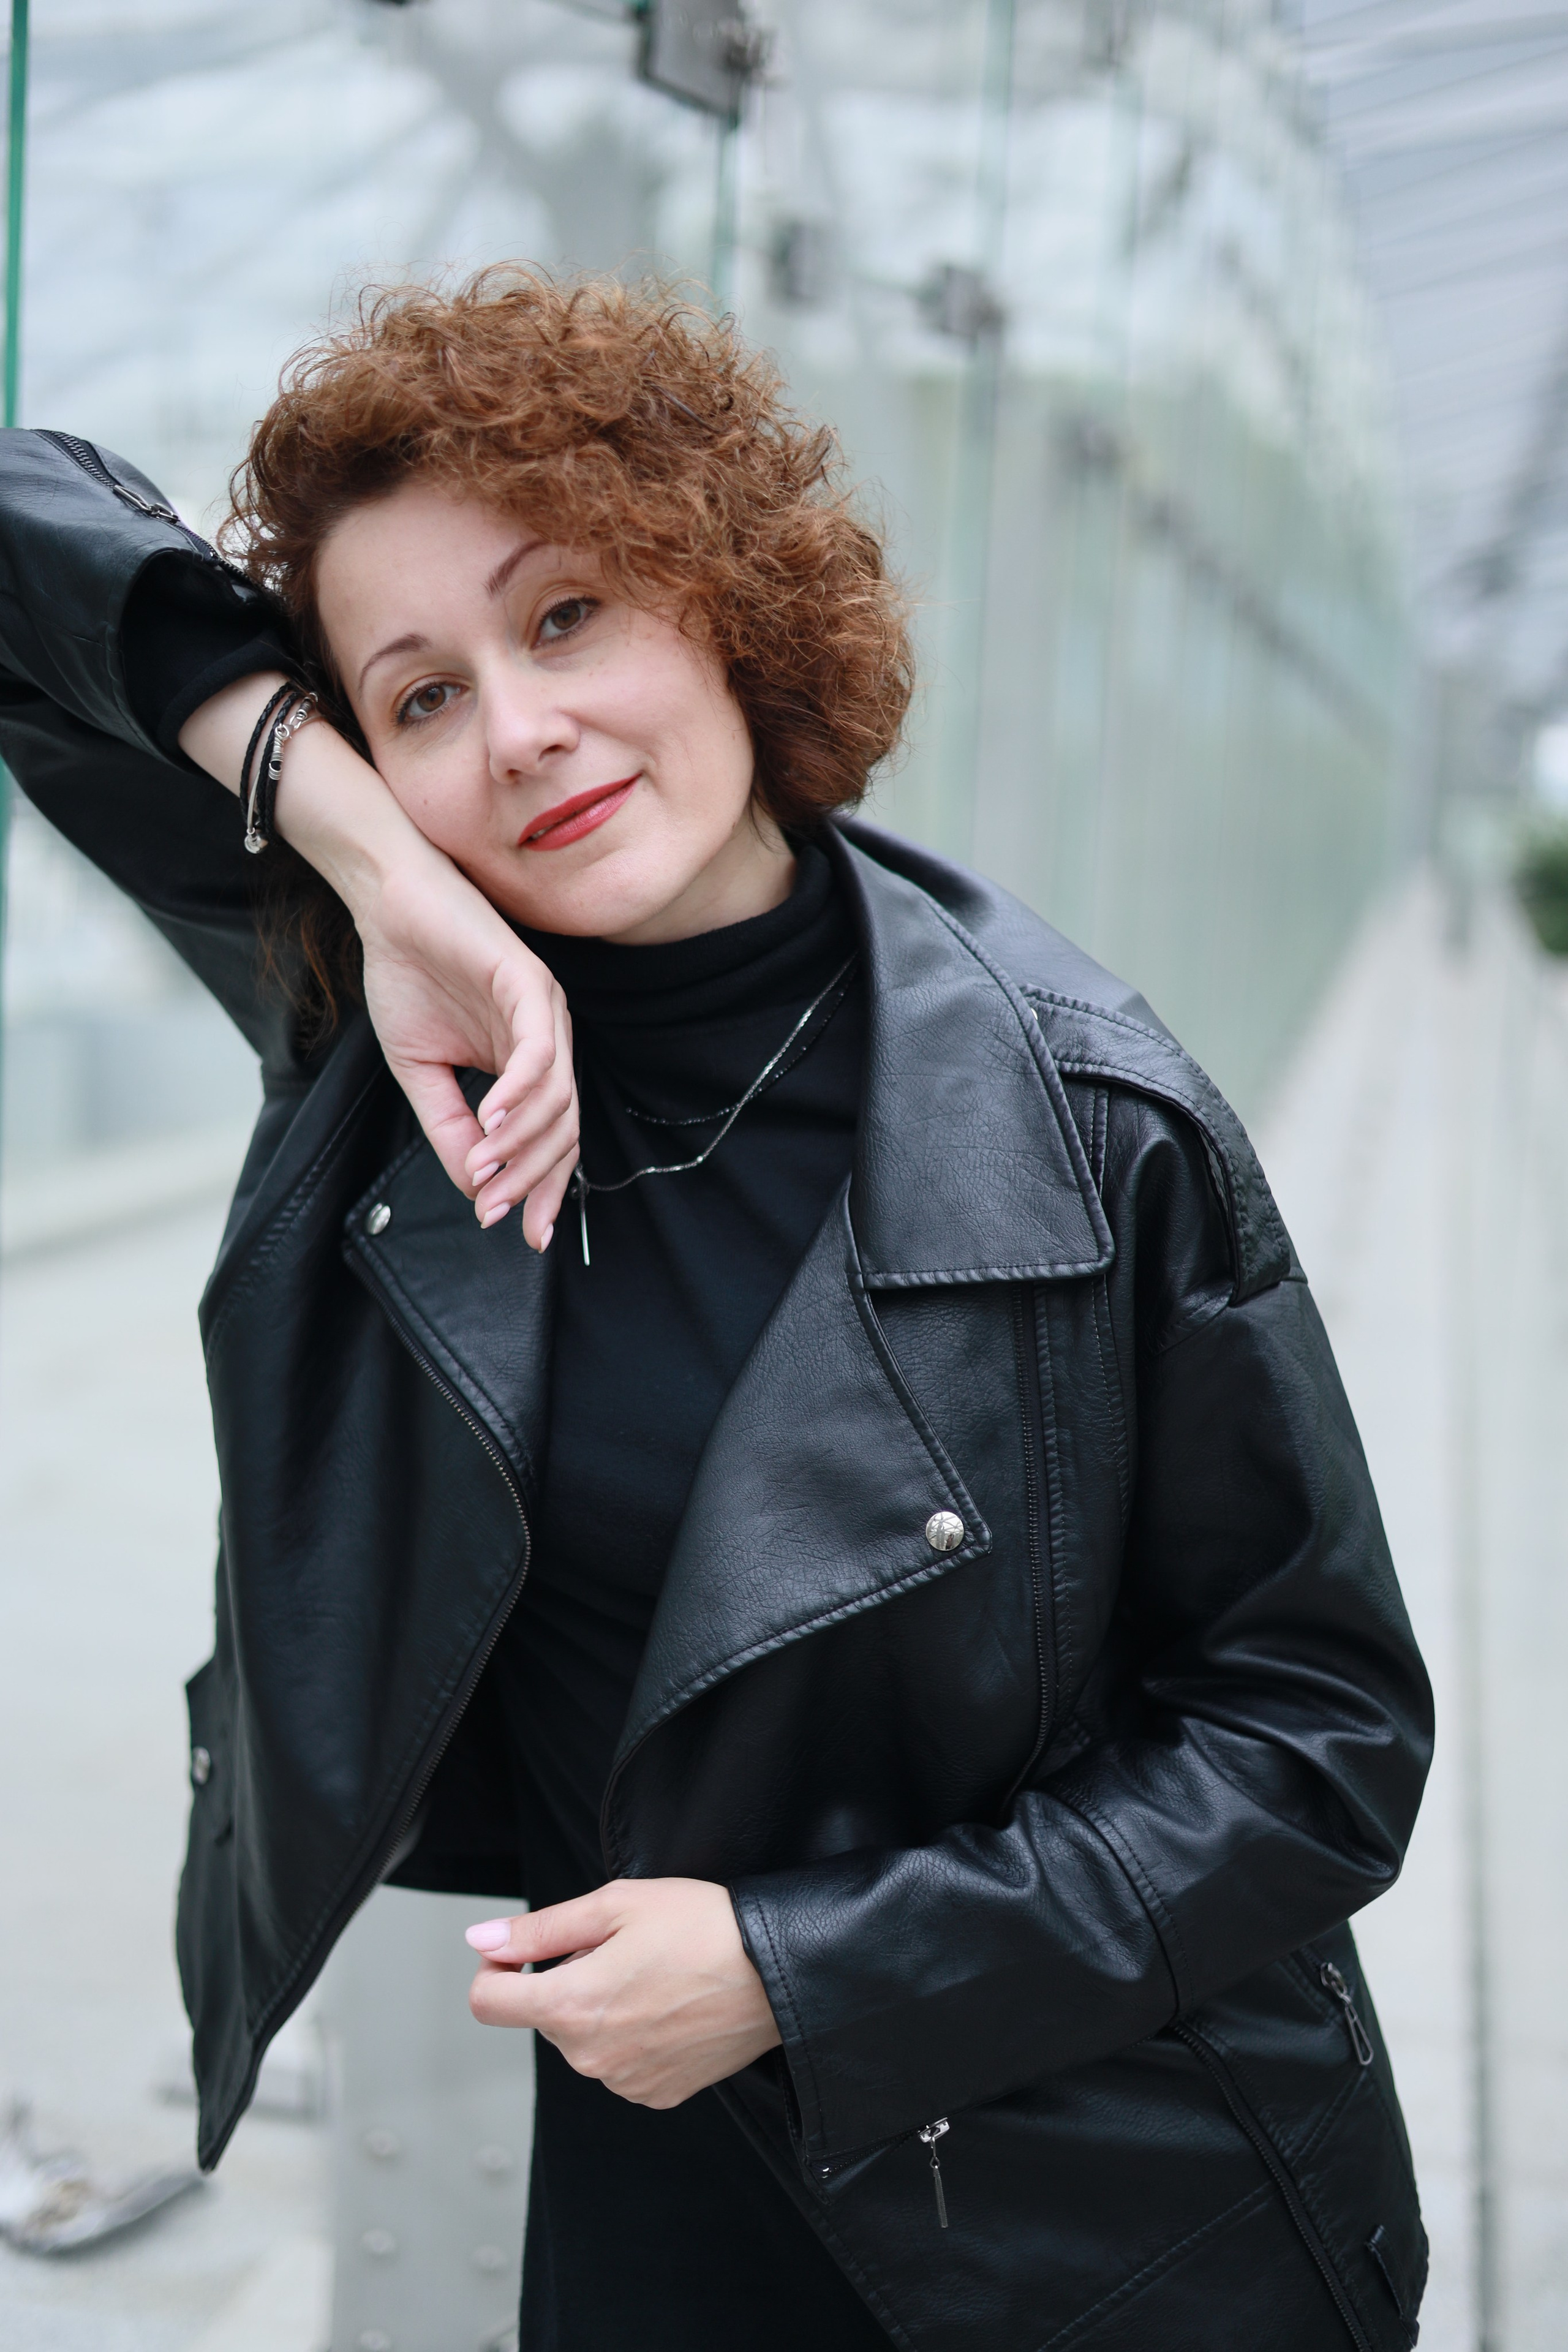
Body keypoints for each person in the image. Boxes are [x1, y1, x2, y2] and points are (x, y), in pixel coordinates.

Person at [0, 271, 1433, 2352]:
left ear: (726, 597)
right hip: (658, 2212)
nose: (520, 729)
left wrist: (801, 1966)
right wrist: (370, 864)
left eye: (569, 614)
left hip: (1091, 2217)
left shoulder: (1092, 1122)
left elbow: (1319, 1742)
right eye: (420, 695)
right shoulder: (380, 1031)